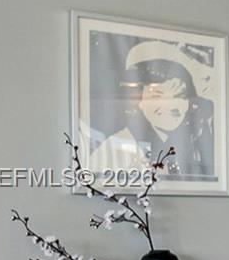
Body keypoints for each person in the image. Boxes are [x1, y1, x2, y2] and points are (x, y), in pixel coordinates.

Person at [87, 48, 212, 183]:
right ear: (139, 102)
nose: (171, 106)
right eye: (157, 97)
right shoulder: (116, 148)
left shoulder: (194, 145)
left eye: (179, 97)